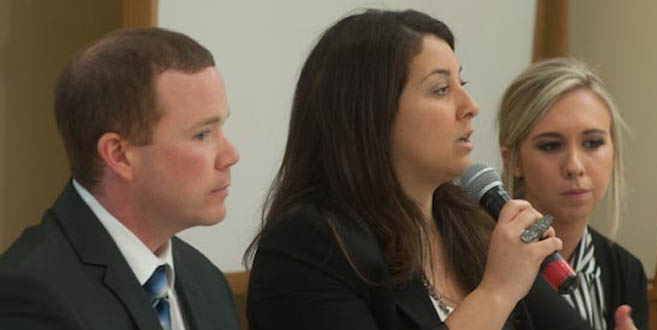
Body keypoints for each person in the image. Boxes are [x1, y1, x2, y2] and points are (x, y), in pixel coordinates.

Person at [245, 9, 568, 330]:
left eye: (462, 82)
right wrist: (496, 292)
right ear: (371, 113)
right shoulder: (307, 247)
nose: (471, 105)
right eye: (441, 89)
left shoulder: (472, 224)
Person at [0, 27, 241, 330]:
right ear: (119, 155)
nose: (231, 155)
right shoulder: (31, 293)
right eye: (202, 134)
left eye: (222, 128)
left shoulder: (207, 281)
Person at [498, 57, 648, 329]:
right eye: (550, 146)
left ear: (613, 151)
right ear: (514, 161)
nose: (574, 167)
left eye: (592, 143)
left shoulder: (626, 270)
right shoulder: (483, 259)